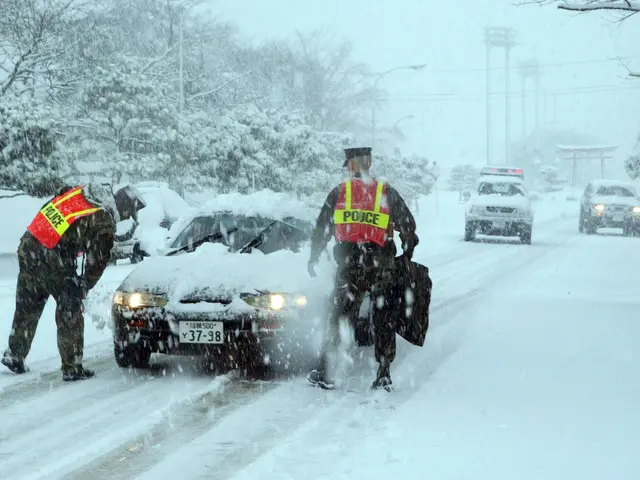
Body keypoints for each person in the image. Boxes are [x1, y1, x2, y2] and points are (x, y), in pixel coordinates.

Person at [307, 146, 419, 390]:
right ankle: (383, 372)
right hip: (382, 265)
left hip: (350, 265)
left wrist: (314, 255)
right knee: (384, 316)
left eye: (348, 164)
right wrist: (407, 252)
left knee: (339, 316)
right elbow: (408, 227)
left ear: (353, 165)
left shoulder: (340, 192)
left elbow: (322, 228)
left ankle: (326, 371)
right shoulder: (385, 192)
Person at [1, 183, 137, 381]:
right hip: (52, 255)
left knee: (28, 305)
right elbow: (97, 262)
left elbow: (59, 202)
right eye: (128, 214)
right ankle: (72, 366)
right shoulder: (103, 219)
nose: (125, 218)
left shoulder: (80, 193)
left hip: (29, 244)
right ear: (123, 208)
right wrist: (82, 286)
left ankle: (15, 354)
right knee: (69, 309)